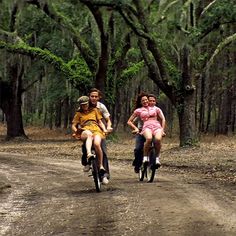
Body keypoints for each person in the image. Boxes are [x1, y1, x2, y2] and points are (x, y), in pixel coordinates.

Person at [72, 95, 109, 184]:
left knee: (97, 144)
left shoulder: (95, 110)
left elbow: (100, 122)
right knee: (89, 135)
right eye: (82, 105)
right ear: (80, 105)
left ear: (88, 103)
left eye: (86, 104)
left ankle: (100, 166)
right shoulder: (78, 114)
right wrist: (76, 131)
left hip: (96, 129)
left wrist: (104, 129)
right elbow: (73, 124)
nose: (84, 106)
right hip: (85, 129)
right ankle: (89, 154)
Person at [127, 92, 166, 172]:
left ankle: (153, 164)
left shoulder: (154, 109)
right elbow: (131, 121)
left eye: (147, 100)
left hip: (154, 129)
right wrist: (135, 128)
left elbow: (160, 119)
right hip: (141, 131)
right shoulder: (140, 111)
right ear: (140, 102)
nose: (146, 102)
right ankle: (137, 164)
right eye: (143, 100)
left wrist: (162, 130)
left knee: (154, 143)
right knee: (138, 148)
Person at [81, 88, 113, 175]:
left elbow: (108, 120)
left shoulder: (101, 107)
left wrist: (109, 127)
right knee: (85, 145)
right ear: (89, 97)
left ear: (99, 97)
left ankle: (104, 174)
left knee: (102, 149)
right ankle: (87, 162)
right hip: (87, 129)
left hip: (100, 130)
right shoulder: (84, 105)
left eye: (96, 96)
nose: (94, 98)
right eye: (92, 96)